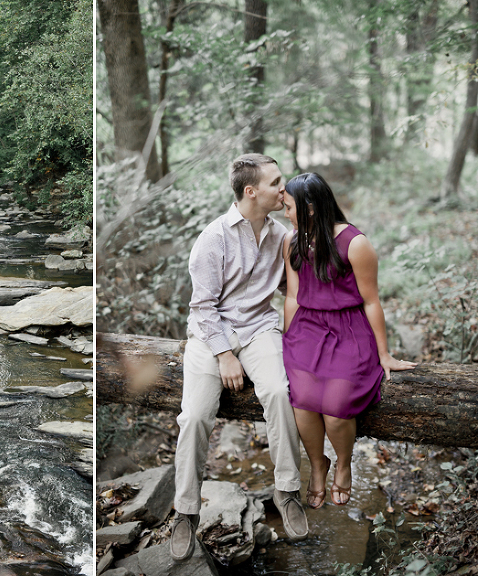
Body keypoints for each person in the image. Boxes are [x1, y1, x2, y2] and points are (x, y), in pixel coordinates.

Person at [170, 153, 308, 562]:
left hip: (259, 329)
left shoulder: (281, 234)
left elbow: (294, 290)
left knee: (280, 394)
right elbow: (202, 307)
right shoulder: (213, 238)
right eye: (276, 182)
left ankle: (287, 491)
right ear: (252, 191)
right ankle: (185, 512)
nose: (283, 189)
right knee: (195, 415)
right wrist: (225, 356)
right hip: (212, 334)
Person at [281, 172, 416, 510]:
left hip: (349, 330)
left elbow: (372, 301)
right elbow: (293, 296)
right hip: (307, 328)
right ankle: (316, 466)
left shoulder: (355, 243)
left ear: (309, 207)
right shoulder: (292, 240)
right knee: (302, 400)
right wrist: (289, 339)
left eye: (288, 207)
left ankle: (343, 463)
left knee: (338, 408)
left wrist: (384, 354)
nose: (284, 214)